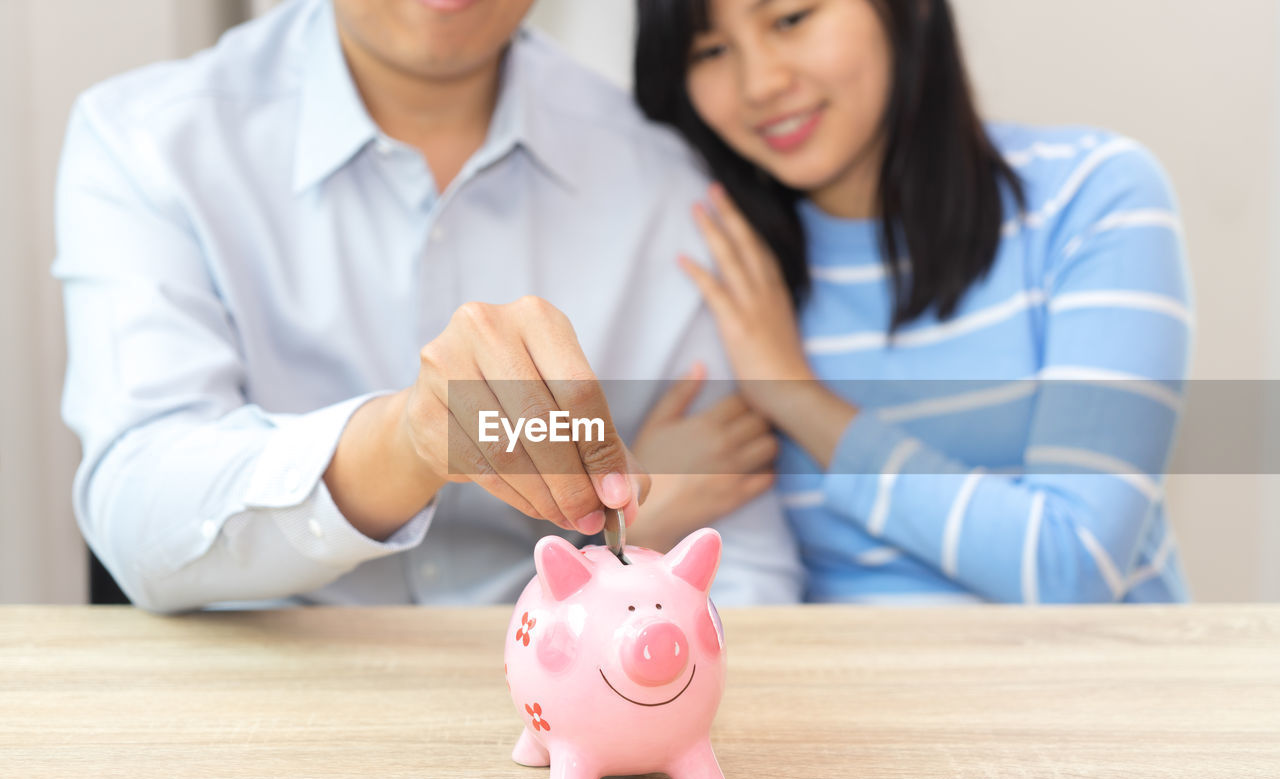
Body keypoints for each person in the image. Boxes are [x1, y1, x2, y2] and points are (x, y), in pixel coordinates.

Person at [54, 0, 803, 613]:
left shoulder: (665, 179)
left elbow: (742, 572)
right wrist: (407, 442)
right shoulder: (146, 143)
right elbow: (138, 513)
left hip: (589, 729)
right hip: (256, 721)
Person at [634, 0, 1193, 603]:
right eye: (710, 51)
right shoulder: (724, 268)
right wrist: (638, 514)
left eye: (791, 19)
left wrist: (797, 399)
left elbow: (1074, 567)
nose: (760, 84)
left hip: (1095, 688)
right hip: (847, 692)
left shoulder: (1091, 197)